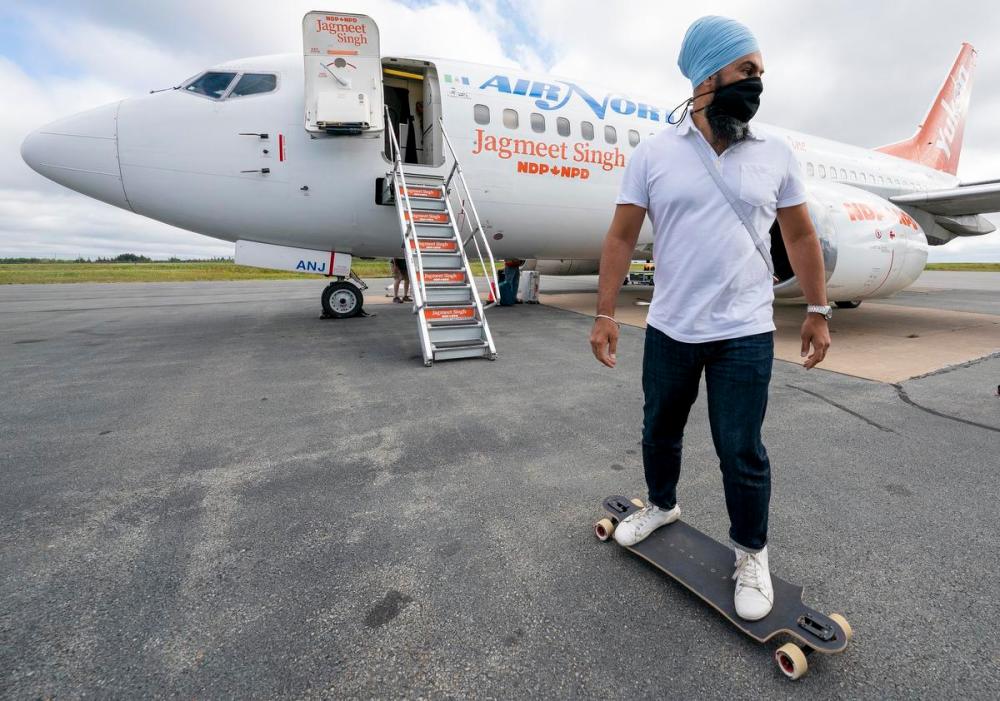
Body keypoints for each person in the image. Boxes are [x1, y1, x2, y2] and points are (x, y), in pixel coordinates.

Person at [589, 16, 832, 621]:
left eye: (760, 74)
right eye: (747, 71)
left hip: (745, 332)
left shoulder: (775, 152)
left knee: (741, 450)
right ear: (707, 75)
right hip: (671, 327)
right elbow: (621, 237)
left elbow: (800, 235)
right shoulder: (654, 153)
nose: (756, 85)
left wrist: (819, 309)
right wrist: (604, 312)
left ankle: (751, 553)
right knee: (658, 430)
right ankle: (661, 505)